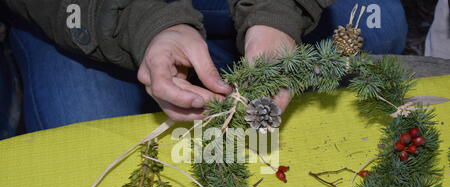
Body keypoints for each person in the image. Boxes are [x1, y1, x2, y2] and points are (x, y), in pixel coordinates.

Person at [0, 0, 408, 135]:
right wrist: (148, 25)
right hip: (92, 10)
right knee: (82, 123)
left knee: (381, 22)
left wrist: (276, 16)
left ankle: (232, 41)